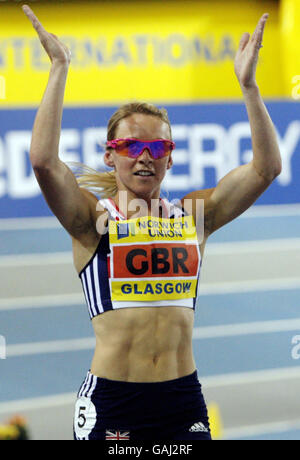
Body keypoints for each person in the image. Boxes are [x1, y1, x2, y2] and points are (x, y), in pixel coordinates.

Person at [22, 4, 281, 441]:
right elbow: (45, 163)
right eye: (131, 145)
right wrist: (59, 68)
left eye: (158, 148)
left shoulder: (196, 217)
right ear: (110, 154)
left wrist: (250, 86)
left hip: (183, 401)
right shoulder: (92, 221)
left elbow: (265, 168)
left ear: (171, 158)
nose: (145, 156)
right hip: (114, 403)